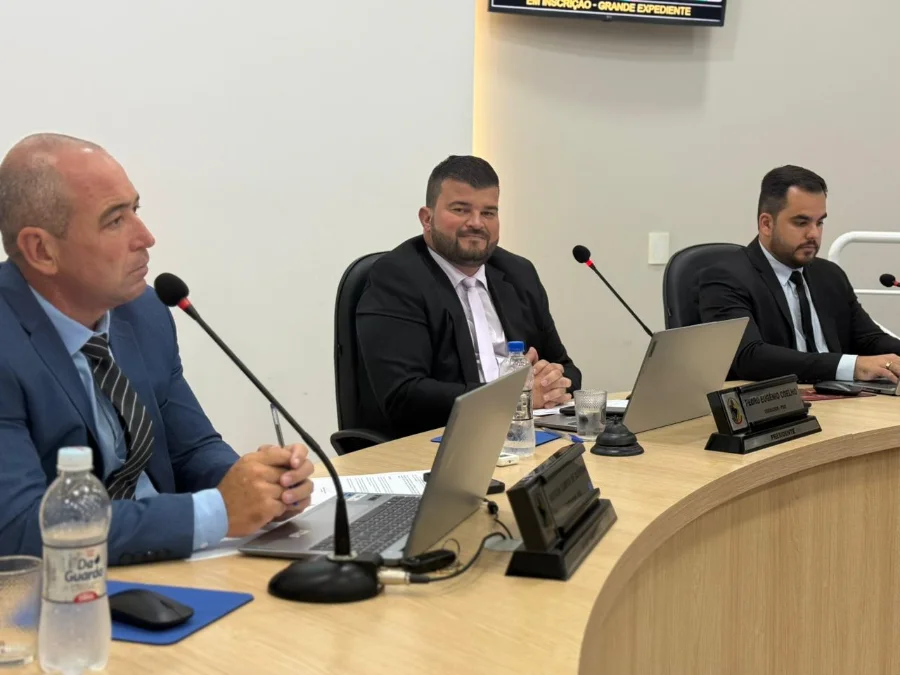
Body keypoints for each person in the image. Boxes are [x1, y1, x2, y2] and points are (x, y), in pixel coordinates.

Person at [0, 133, 315, 565]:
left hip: (166, 569)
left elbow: (190, 449)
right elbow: (19, 528)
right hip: (55, 600)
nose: (146, 237)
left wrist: (262, 487)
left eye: (136, 210)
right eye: (115, 220)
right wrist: (216, 512)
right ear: (41, 250)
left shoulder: (143, 311)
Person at [356, 155, 581, 439]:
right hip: (437, 444)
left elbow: (568, 368)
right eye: (461, 210)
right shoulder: (396, 277)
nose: (476, 223)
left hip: (523, 438)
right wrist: (512, 397)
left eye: (488, 212)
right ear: (427, 218)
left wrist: (552, 380)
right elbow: (404, 395)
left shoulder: (518, 273)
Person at [698, 164, 900, 384]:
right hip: (780, 405)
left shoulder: (829, 275)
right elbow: (749, 357)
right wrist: (851, 366)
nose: (814, 234)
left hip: (843, 397)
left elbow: (869, 339)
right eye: (801, 222)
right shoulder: (725, 278)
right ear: (766, 224)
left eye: (820, 222)